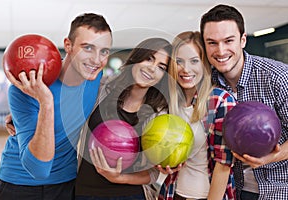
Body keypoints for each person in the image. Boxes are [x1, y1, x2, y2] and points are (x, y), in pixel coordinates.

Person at [0, 13, 112, 200]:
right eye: (88, 48)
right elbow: (38, 169)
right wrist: (45, 103)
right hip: (19, 184)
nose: (97, 59)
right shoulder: (24, 91)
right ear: (68, 46)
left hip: (65, 182)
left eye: (104, 51)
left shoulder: (95, 74)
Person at [200, 4, 288, 200]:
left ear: (243, 40)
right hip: (234, 192)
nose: (220, 50)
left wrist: (272, 157)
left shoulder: (278, 78)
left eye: (228, 41)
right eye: (212, 42)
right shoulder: (206, 84)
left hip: (279, 189)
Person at [74, 37, 172, 200]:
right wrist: (17, 114)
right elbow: (65, 97)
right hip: (84, 191)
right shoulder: (102, 89)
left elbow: (154, 173)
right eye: (149, 59)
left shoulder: (159, 114)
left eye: (161, 67)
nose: (152, 68)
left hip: (128, 195)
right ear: (136, 59)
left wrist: (119, 178)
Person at [156, 31, 237, 200]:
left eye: (194, 61)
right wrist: (161, 164)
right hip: (171, 194)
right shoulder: (168, 104)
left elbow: (224, 165)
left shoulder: (220, 101)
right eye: (179, 61)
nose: (186, 69)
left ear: (206, 64)